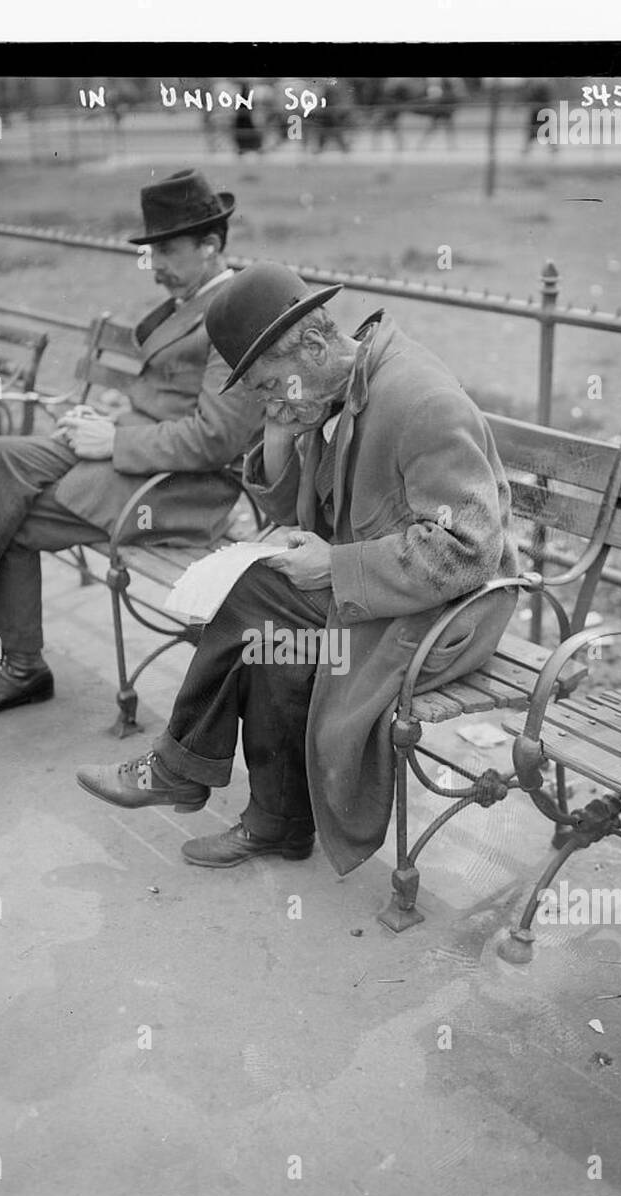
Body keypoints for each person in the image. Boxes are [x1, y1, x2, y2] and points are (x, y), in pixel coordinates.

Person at [76, 262, 518, 878]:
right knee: (268, 631)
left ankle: (181, 769)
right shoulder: (338, 385)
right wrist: (282, 440)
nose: (265, 402)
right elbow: (308, 508)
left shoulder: (421, 400)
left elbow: (469, 552)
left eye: (265, 385)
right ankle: (276, 823)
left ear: (313, 344)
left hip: (452, 616)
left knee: (262, 598)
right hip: (394, 595)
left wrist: (335, 565)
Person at [0, 169, 263, 715]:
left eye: (166, 249)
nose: (154, 264)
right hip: (137, 454)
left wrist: (114, 437)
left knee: (9, 518)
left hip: (182, 489)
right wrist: (117, 410)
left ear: (211, 246)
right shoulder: (189, 301)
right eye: (150, 250)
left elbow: (216, 439)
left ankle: (19, 666)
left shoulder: (236, 313)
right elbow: (166, 392)